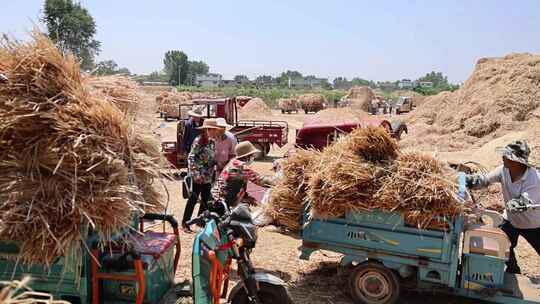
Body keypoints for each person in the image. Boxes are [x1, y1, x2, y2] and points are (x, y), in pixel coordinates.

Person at [466, 140, 540, 274]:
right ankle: (513, 270)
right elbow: (485, 180)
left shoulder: (534, 178)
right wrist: (470, 181)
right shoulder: (503, 170)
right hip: (510, 219)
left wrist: (517, 203)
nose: (503, 157)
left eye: (507, 156)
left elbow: (526, 200)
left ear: (517, 161)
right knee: (501, 244)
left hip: (532, 223)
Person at [211, 141, 275, 209]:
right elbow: (260, 180)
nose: (253, 157)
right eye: (252, 155)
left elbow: (238, 186)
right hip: (220, 201)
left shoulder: (233, 162)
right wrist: (279, 183)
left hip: (218, 197)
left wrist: (248, 198)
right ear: (247, 156)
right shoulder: (240, 166)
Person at [182, 118, 220, 232]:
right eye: (212, 130)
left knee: (205, 200)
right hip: (197, 176)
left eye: (215, 130)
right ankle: (185, 223)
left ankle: (201, 222)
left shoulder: (212, 142)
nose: (214, 132)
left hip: (207, 176)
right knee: (193, 199)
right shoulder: (199, 141)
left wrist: (216, 164)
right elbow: (191, 157)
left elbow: (211, 158)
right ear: (207, 130)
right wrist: (195, 174)